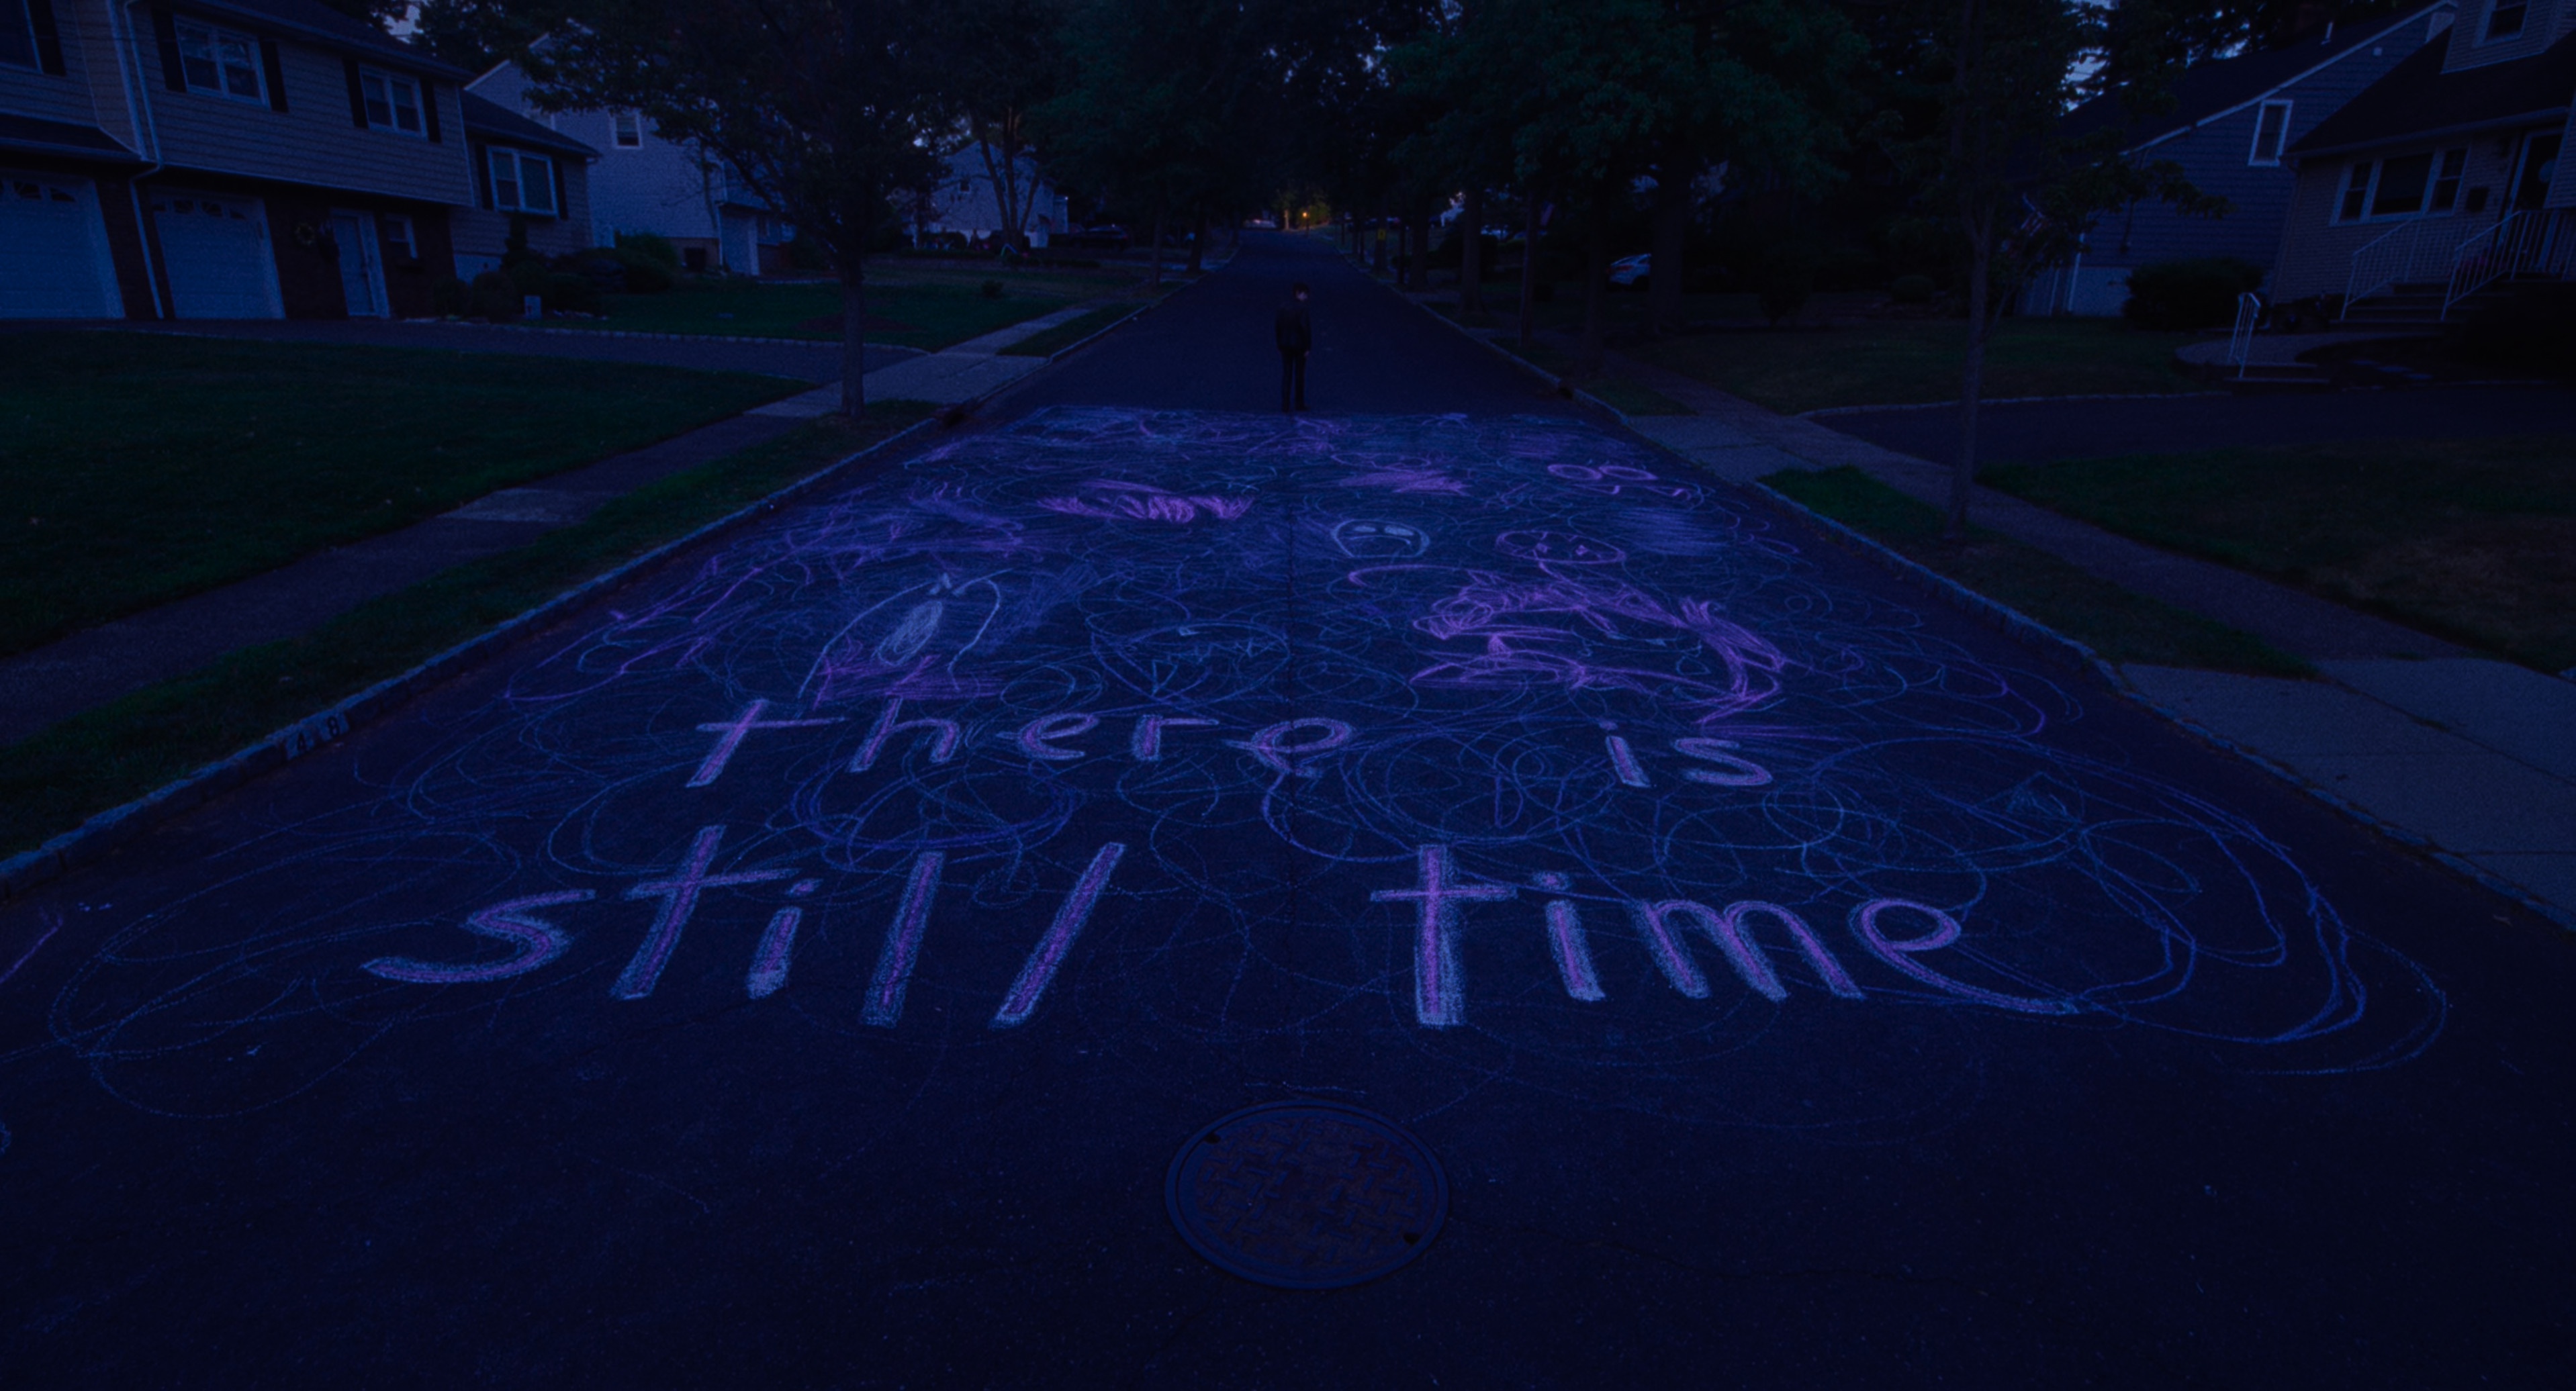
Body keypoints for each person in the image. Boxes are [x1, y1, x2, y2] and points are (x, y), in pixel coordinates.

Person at [1275, 282, 1312, 412]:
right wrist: (1308, 347)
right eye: (1305, 294)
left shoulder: (1283, 307)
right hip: (1299, 345)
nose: (1306, 297)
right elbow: (1305, 328)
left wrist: (1279, 342)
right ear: (1298, 293)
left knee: (1287, 374)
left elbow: (1278, 326)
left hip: (1285, 344)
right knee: (1299, 374)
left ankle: (1285, 404)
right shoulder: (1302, 309)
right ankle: (1299, 403)